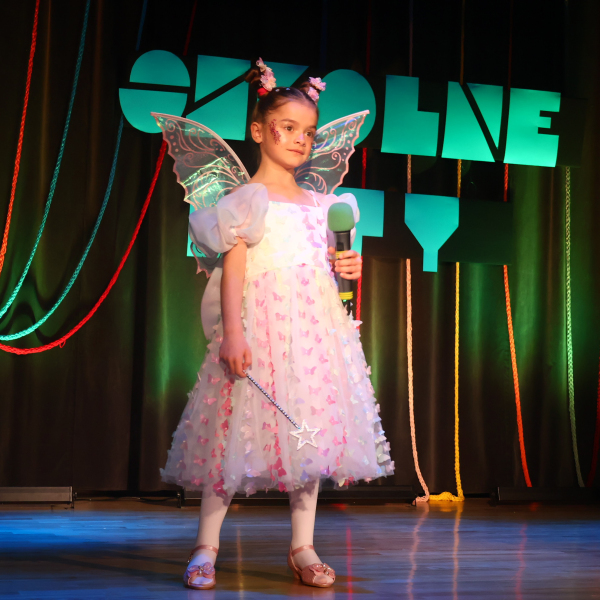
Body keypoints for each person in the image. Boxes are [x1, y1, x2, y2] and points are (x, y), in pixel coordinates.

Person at [159, 59, 394, 590]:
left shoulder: (326, 205)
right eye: (288, 128)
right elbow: (233, 272)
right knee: (230, 435)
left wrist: (350, 266)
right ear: (259, 130)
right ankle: (206, 545)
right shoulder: (247, 201)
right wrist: (234, 333)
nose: (300, 140)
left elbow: (334, 271)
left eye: (308, 132)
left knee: (306, 440)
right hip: (258, 330)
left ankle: (303, 545)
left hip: (312, 337)